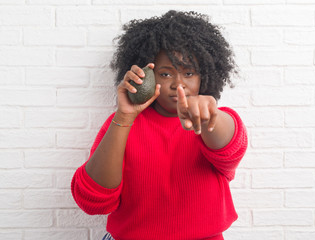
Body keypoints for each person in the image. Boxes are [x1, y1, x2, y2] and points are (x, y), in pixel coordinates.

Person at [71, 10, 248, 240]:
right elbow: (93, 200)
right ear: (147, 76)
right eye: (165, 74)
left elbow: (231, 149)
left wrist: (208, 113)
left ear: (204, 76)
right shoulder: (122, 124)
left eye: (189, 72)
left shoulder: (211, 120)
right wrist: (124, 117)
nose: (178, 84)